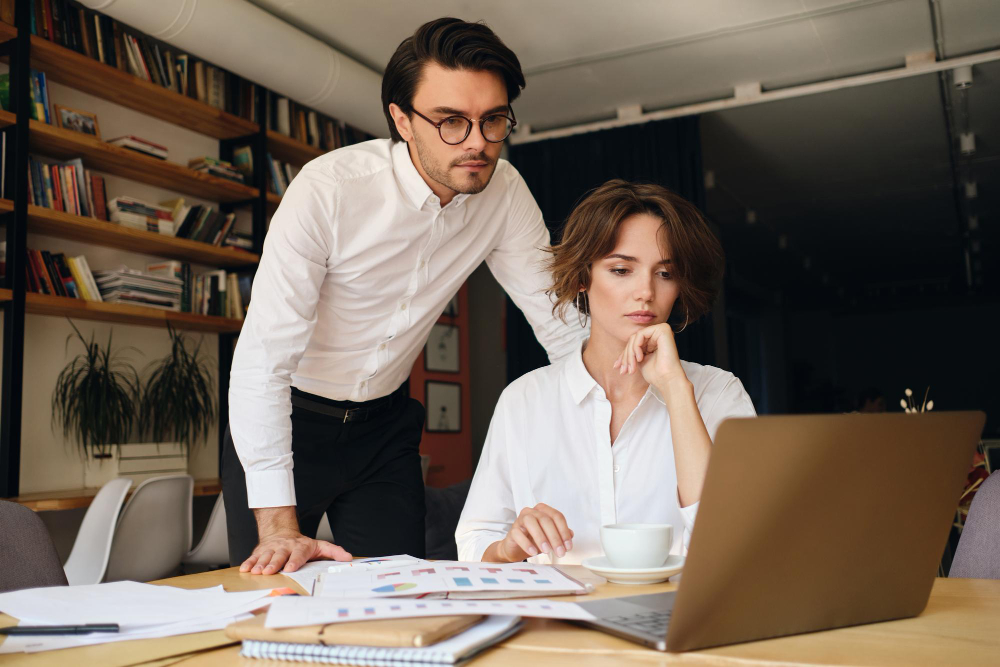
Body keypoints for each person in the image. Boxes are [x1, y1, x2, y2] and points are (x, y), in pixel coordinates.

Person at [225, 17, 586, 575]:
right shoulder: (329, 191)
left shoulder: (505, 193)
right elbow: (263, 360)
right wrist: (276, 527)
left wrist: (638, 403)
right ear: (402, 119)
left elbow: (562, 326)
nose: (478, 144)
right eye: (450, 122)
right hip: (287, 419)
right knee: (268, 599)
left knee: (401, 594)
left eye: (493, 121)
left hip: (385, 427)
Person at [456, 180, 757, 565]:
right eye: (621, 270)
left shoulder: (718, 393)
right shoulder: (524, 400)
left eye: (665, 274)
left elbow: (734, 539)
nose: (645, 292)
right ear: (583, 277)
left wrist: (677, 392)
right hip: (558, 618)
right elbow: (475, 541)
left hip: (674, 618)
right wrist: (509, 547)